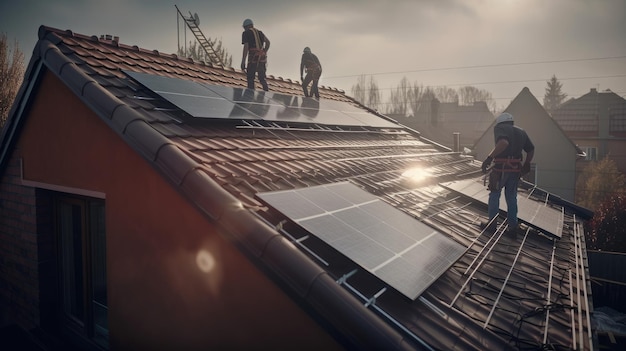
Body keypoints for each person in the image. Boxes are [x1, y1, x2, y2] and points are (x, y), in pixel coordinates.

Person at [481, 112, 535, 236]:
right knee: (511, 197)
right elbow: (531, 149)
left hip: (501, 169)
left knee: (494, 195)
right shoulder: (521, 132)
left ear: (499, 122)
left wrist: (489, 158)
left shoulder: (500, 128)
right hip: (515, 170)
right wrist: (527, 163)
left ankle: (492, 225)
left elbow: (503, 143)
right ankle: (512, 228)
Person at [241, 18, 270, 91]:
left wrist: (243, 61)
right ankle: (266, 92)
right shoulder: (260, 32)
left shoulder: (246, 33)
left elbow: (246, 47)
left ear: (246, 27)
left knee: (250, 77)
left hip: (253, 58)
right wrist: (264, 51)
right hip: (261, 59)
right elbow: (268, 42)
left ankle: (251, 94)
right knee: (262, 78)